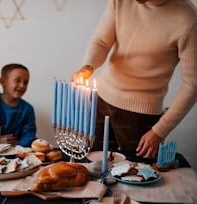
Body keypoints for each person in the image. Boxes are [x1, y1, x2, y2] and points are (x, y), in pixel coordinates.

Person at [72, 0, 197, 158]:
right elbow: (101, 42)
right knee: (94, 166)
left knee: (134, 174)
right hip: (101, 101)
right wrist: (88, 66)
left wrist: (159, 131)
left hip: (140, 116)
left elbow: (192, 85)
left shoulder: (188, 19)